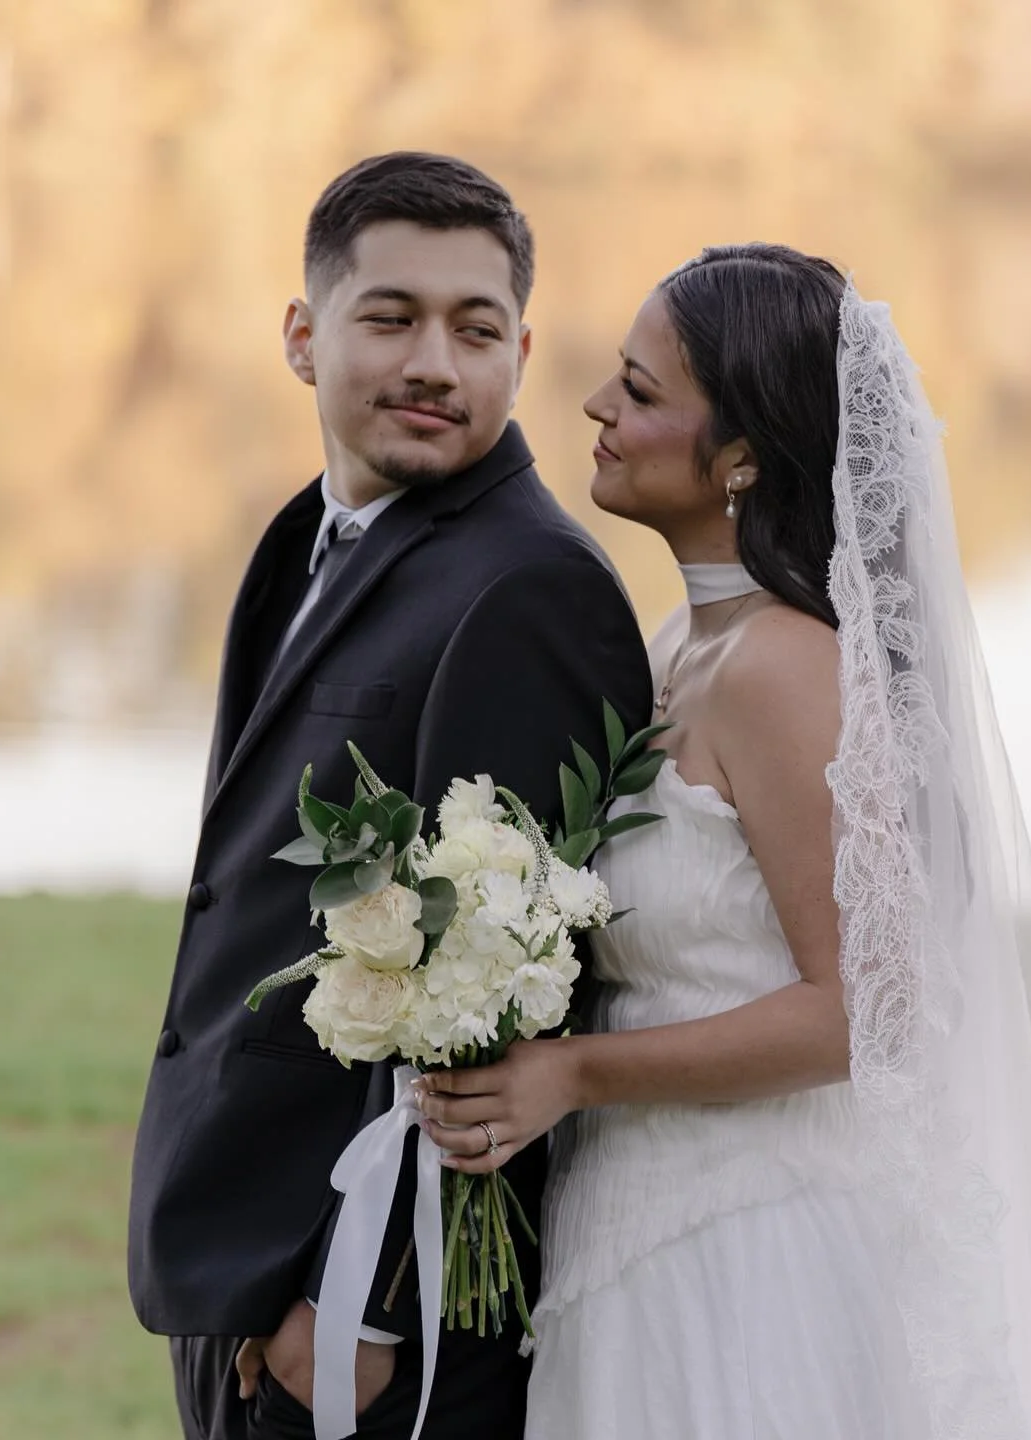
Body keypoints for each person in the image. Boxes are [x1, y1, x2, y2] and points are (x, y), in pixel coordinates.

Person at [414, 245, 1031, 1439]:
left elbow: (865, 1009)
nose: (598, 408)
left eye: (642, 393)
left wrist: (575, 1073)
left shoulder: (783, 669)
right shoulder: (676, 647)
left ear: (743, 454)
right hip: (639, 1222)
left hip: (755, 1249)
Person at [126, 152, 653, 1440]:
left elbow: (502, 992)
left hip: (359, 1324)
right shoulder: (299, 538)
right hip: (241, 1252)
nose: (436, 362)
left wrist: (368, 1313)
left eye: (477, 330)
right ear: (304, 337)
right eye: (391, 317)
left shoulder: (530, 590)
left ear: (523, 350)